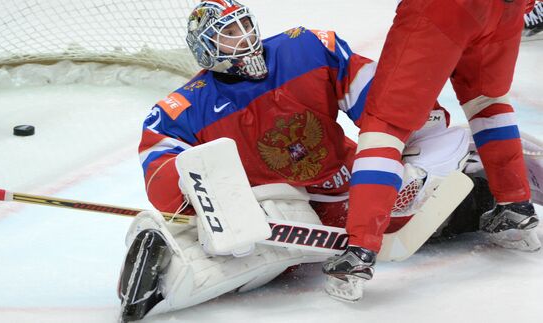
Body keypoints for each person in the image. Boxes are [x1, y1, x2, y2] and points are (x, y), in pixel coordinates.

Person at [117, 0, 543, 321]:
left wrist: (413, 141)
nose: (243, 37)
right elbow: (161, 175)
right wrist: (211, 200)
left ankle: (424, 182)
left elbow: (385, 104)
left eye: (244, 25)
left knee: (447, 141)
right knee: (248, 254)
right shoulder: (181, 108)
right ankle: (158, 274)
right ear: (205, 48)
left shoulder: (305, 49)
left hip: (362, 191)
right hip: (290, 210)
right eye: (228, 33)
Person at [322, 0, 540, 302]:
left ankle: (359, 249)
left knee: (386, 123)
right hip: (505, 9)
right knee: (487, 101)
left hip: (445, 8)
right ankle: (516, 205)